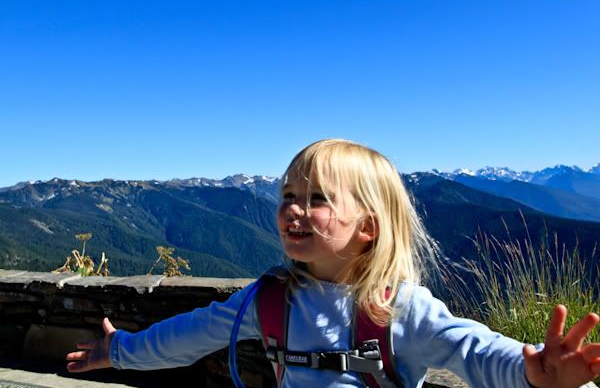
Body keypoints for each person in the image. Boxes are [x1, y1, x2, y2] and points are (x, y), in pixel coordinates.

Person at [66, 139, 600, 387]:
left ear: (367, 226)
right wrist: (123, 351)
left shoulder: (398, 310)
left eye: (317, 198)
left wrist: (533, 370)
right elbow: (192, 334)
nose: (292, 209)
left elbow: (473, 350)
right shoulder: (268, 300)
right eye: (286, 195)